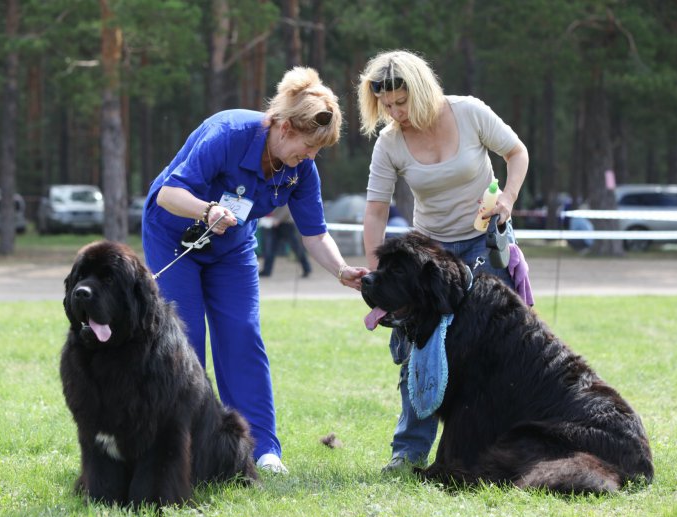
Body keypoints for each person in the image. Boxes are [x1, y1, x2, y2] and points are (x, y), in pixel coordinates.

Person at [142, 67, 368, 474]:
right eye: (308, 146)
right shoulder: (228, 134)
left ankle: (262, 450)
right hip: (175, 239)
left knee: (243, 335)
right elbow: (169, 195)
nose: (311, 157)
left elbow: (315, 233)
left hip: (231, 248)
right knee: (185, 339)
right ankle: (183, 448)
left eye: (318, 150)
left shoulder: (301, 170)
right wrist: (208, 209)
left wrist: (340, 271)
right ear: (283, 127)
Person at [357, 50, 530, 472]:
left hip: (482, 245)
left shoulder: (469, 112)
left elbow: (517, 153)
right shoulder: (389, 142)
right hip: (428, 257)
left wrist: (506, 199)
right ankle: (408, 453)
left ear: (421, 91)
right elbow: (376, 210)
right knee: (421, 353)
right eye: (387, 106)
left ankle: (490, 448)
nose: (395, 113)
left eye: (402, 103)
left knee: (490, 352)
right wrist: (377, 275)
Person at [259, 204, 312, 277]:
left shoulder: (284, 194)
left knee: (296, 248)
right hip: (274, 224)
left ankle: (307, 268)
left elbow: (287, 208)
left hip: (287, 225)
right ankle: (266, 270)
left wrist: (278, 219)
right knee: (270, 248)